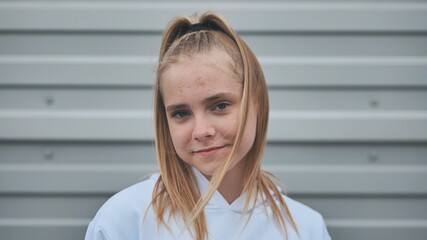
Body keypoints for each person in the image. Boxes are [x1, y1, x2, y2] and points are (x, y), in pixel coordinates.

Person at [85, 12, 331, 240]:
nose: (201, 131)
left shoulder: (305, 228)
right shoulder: (124, 221)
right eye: (181, 113)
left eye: (220, 106)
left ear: (256, 101)